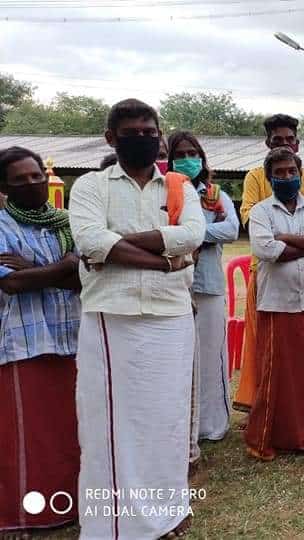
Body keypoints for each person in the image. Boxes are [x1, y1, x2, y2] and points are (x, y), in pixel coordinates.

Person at [69, 98, 204, 538]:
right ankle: (115, 526)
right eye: (132, 132)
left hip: (171, 315)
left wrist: (117, 246)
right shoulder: (90, 186)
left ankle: (165, 512)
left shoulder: (179, 188)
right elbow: (90, 241)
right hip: (114, 315)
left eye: (150, 131)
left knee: (166, 418)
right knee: (111, 423)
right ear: (111, 138)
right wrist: (164, 261)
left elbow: (193, 235)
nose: (144, 138)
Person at [0, 147, 81, 533]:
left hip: (73, 337)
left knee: (70, 429)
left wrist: (37, 269)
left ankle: (70, 504)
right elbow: (11, 283)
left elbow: (86, 277)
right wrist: (63, 267)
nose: (32, 184)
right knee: (29, 434)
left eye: (36, 176)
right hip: (24, 340)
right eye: (20, 179)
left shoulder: (67, 221)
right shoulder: (1, 224)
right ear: (4, 186)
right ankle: (29, 513)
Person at [234, 114, 304, 415]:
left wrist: (283, 236)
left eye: (289, 140)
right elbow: (253, 224)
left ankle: (298, 410)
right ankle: (259, 404)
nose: (286, 177)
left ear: (297, 143)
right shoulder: (254, 178)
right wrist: (301, 242)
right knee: (265, 348)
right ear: (267, 143)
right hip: (265, 275)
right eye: (277, 140)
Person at [244, 147, 304, 461]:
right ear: (269, 177)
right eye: (279, 173)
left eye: (291, 171)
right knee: (273, 373)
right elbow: (264, 249)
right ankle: (262, 438)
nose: (287, 177)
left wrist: (286, 238)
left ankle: (302, 437)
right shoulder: (261, 211)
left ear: (300, 174)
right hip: (277, 302)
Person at [167, 131, 239, 467]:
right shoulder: (164, 192)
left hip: (207, 284)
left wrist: (193, 234)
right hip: (172, 286)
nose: (188, 158)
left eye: (193, 152)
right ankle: (181, 428)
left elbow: (232, 229)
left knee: (212, 356)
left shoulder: (214, 194)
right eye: (180, 153)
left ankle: (212, 425)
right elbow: (160, 232)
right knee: (177, 359)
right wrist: (188, 237)